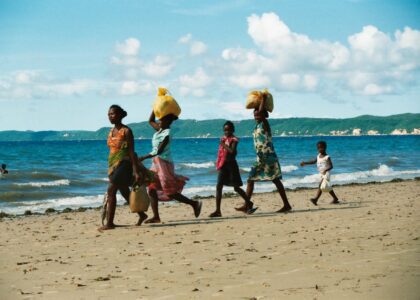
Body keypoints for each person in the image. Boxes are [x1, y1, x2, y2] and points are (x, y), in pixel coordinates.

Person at [139, 112, 202, 223]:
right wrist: (155, 107)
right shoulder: (160, 129)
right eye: (159, 120)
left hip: (164, 164)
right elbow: (150, 121)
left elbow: (158, 151)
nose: (158, 122)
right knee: (152, 188)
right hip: (156, 163)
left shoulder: (167, 134)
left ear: (168, 121)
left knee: (169, 191)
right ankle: (156, 217)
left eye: (161, 120)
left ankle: (194, 203)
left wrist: (143, 157)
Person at [236, 93, 292, 213]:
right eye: (254, 115)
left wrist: (263, 99)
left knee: (272, 180)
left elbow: (261, 114)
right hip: (261, 158)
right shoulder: (256, 127)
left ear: (264, 115)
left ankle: (286, 204)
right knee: (253, 180)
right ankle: (247, 205)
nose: (256, 116)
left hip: (268, 157)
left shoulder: (265, 124)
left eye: (258, 114)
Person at [100, 105, 151, 231]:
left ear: (119, 115)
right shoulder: (110, 131)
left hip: (124, 165)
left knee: (111, 190)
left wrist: (135, 171)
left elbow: (132, 152)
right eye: (109, 114)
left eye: (112, 114)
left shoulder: (126, 131)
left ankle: (109, 223)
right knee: (123, 190)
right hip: (113, 165)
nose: (110, 116)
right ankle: (141, 214)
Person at [209, 121, 255, 217]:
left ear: (233, 130)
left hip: (231, 166)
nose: (227, 132)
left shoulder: (234, 140)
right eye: (225, 130)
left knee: (236, 188)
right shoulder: (223, 139)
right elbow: (221, 154)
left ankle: (249, 203)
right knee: (219, 186)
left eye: (229, 130)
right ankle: (218, 210)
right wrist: (218, 164)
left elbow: (232, 152)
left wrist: (223, 144)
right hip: (223, 165)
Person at [300, 141, 340, 205]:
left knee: (321, 186)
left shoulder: (327, 157)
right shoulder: (318, 156)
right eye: (318, 148)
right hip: (321, 174)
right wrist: (305, 163)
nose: (320, 149)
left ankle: (315, 199)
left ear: (325, 148)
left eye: (321, 148)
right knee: (326, 186)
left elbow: (331, 166)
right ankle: (335, 198)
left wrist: (326, 170)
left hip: (326, 173)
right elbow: (313, 161)